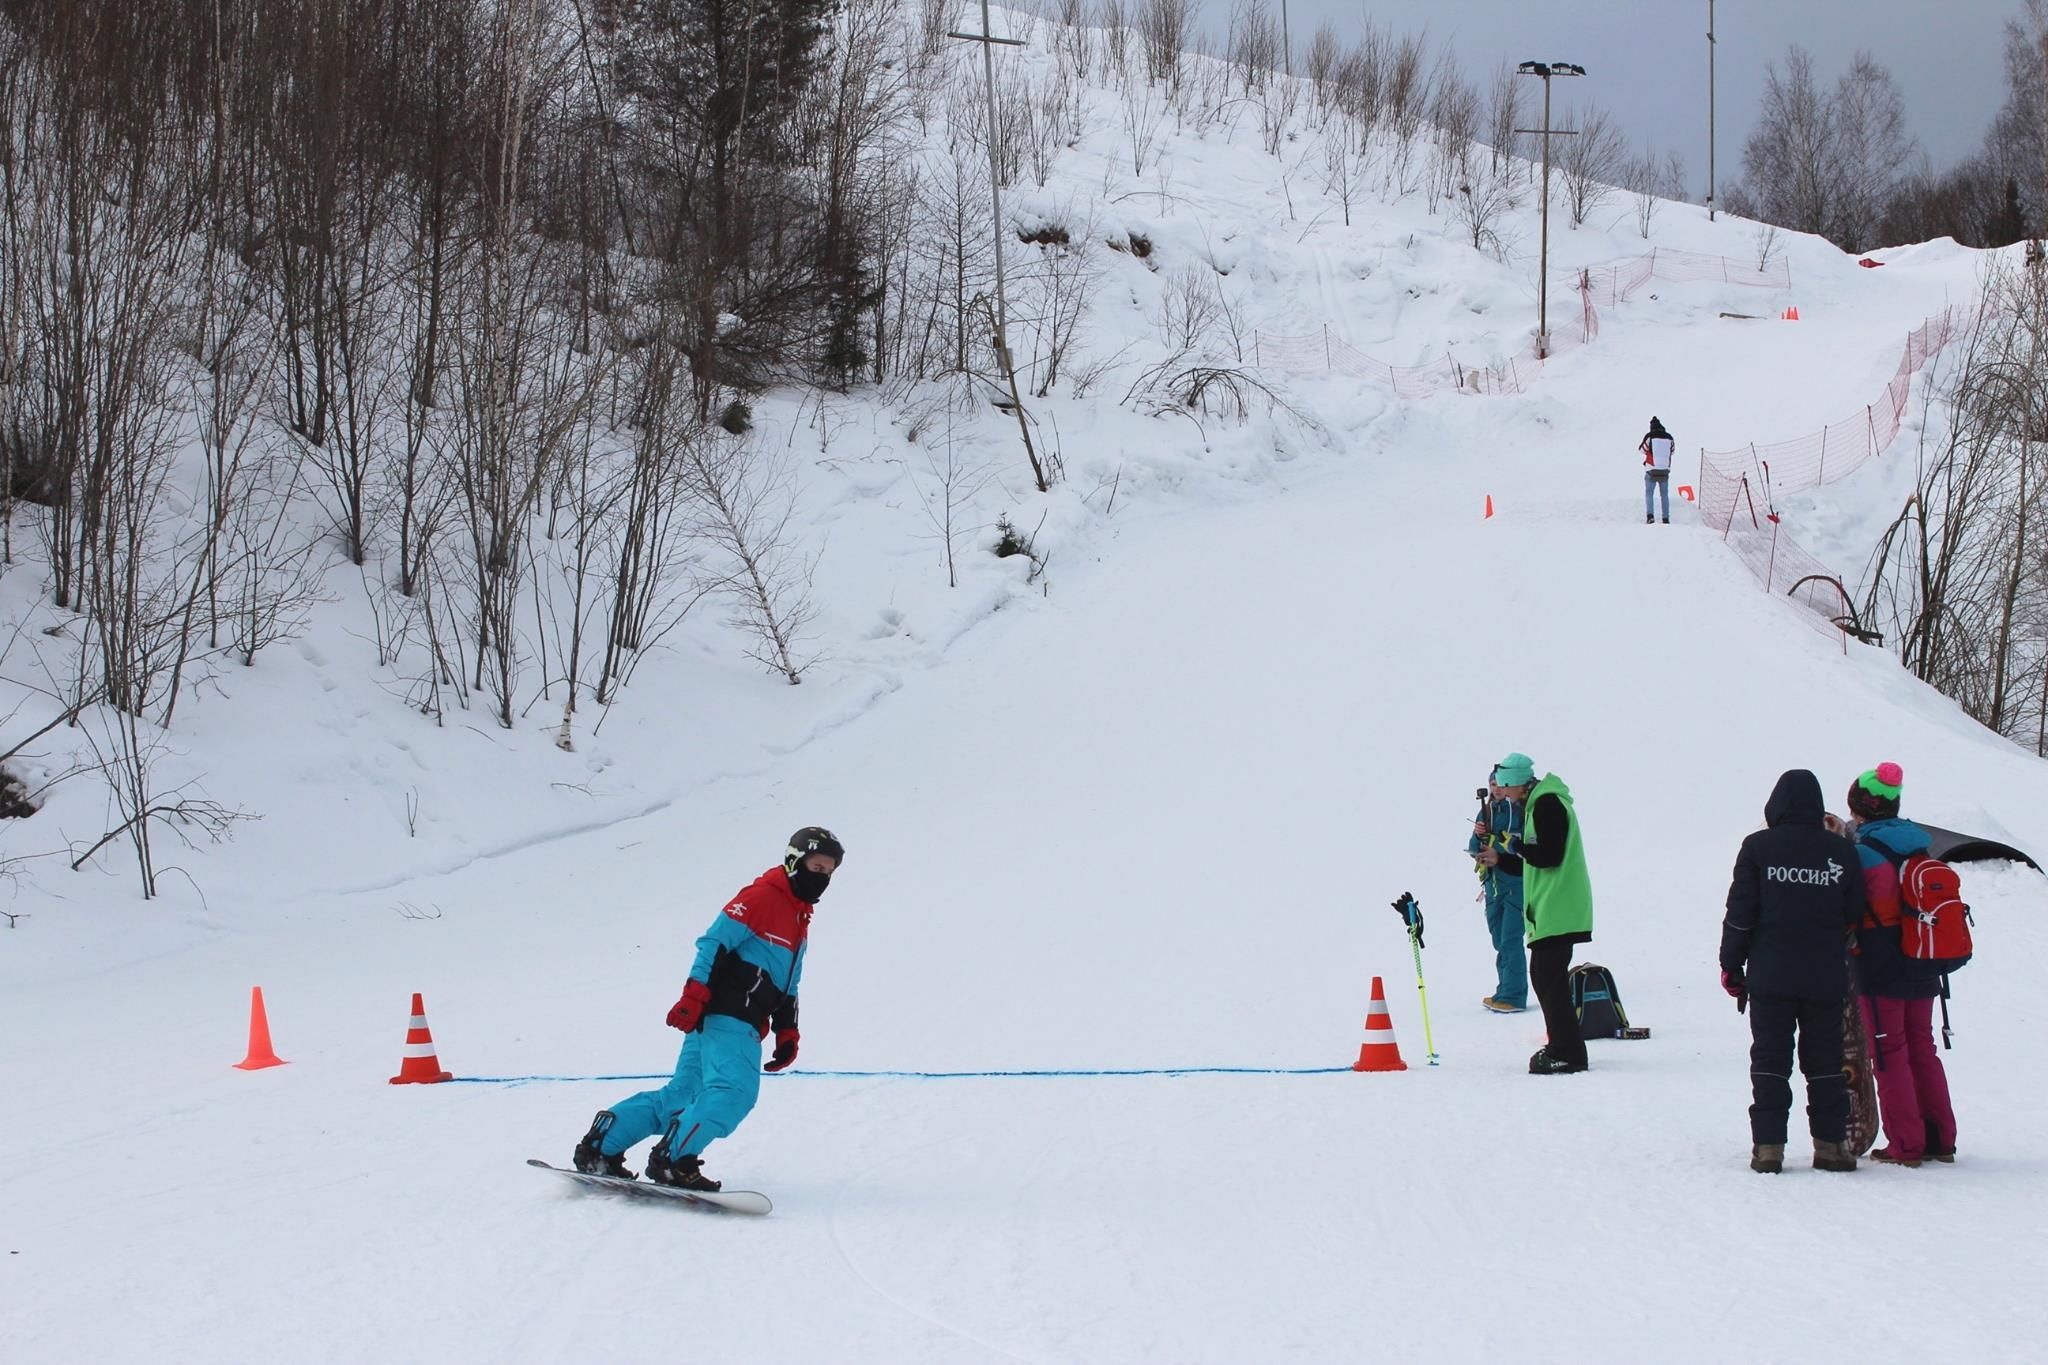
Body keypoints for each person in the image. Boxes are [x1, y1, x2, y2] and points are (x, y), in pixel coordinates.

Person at [571, 826, 845, 1189]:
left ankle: (601, 1147)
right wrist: (693, 995)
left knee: (682, 1096)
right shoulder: (763, 897)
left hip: (732, 1018)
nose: (822, 877)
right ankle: (673, 1160)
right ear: (795, 861)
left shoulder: (799, 919)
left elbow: (788, 984)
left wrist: (787, 1031)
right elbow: (714, 942)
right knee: (733, 1093)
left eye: (828, 871)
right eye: (816, 867)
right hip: (730, 1012)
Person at [1719, 770, 1869, 1174]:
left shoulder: (1758, 847)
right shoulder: (1841, 851)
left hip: (1770, 975)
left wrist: (1731, 964)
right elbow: (1855, 912)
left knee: (1770, 1061)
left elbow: (1740, 914)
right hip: (1825, 975)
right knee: (1825, 1061)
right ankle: (1831, 1146)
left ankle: (1768, 1148)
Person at [1845, 764, 1959, 1167]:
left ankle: (1906, 1144)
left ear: (1859, 806)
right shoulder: (1918, 846)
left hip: (1880, 965)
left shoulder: (1861, 853)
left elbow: (1849, 910)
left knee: (1888, 1050)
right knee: (1922, 1048)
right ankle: (1940, 1139)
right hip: (1924, 960)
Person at [1503, 757, 1594, 1074]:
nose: (1504, 793)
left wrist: (1517, 848)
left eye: (1506, 786)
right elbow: (1536, 861)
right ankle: (1564, 1047)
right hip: (1551, 910)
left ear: (1519, 782)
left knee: (1548, 980)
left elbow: (1549, 856)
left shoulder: (1547, 805)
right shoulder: (1538, 805)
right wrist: (1503, 858)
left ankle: (1567, 1053)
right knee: (1545, 979)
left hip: (1558, 909)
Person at [1469, 757, 1530, 1013]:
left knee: (1510, 939)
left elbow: (1523, 848)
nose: (1496, 789)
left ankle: (1513, 995)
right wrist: (1478, 839)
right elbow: (1474, 846)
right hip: (1493, 885)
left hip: (1516, 883)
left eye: (1499, 784)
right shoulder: (1487, 812)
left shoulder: (1521, 811)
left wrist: (1499, 855)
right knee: (1498, 939)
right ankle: (1503, 989)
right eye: (1492, 784)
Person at [1639, 416, 1675, 524]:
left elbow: (1642, 449)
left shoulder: (1650, 436)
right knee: (1664, 494)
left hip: (1652, 469)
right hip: (1665, 470)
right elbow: (1672, 451)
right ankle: (1666, 518)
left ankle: (1650, 516)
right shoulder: (1669, 437)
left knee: (1649, 493)